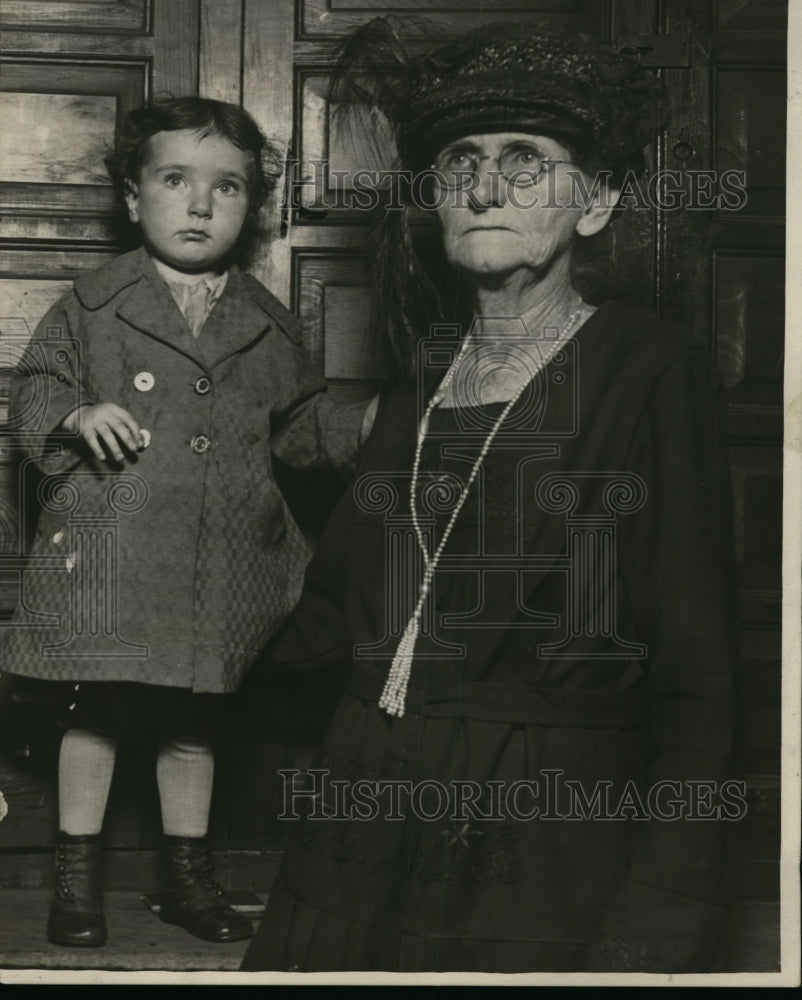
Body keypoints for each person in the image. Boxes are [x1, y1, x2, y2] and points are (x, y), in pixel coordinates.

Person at [241, 21, 740, 974]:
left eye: (525, 160)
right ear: (433, 200)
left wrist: (665, 909)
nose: (482, 186)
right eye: (459, 162)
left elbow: (699, 671)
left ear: (594, 203)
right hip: (366, 814)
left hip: (541, 826)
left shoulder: (651, 369)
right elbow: (335, 616)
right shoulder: (424, 377)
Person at [1, 97, 376, 948]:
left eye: (228, 187)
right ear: (133, 198)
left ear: (251, 209)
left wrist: (369, 425)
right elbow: (35, 391)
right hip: (117, 553)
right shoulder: (92, 307)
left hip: (221, 562)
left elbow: (302, 429)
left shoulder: (269, 325)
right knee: (93, 713)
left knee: (194, 722)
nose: (201, 203)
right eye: (176, 180)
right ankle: (76, 880)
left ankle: (186, 879)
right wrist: (74, 416)